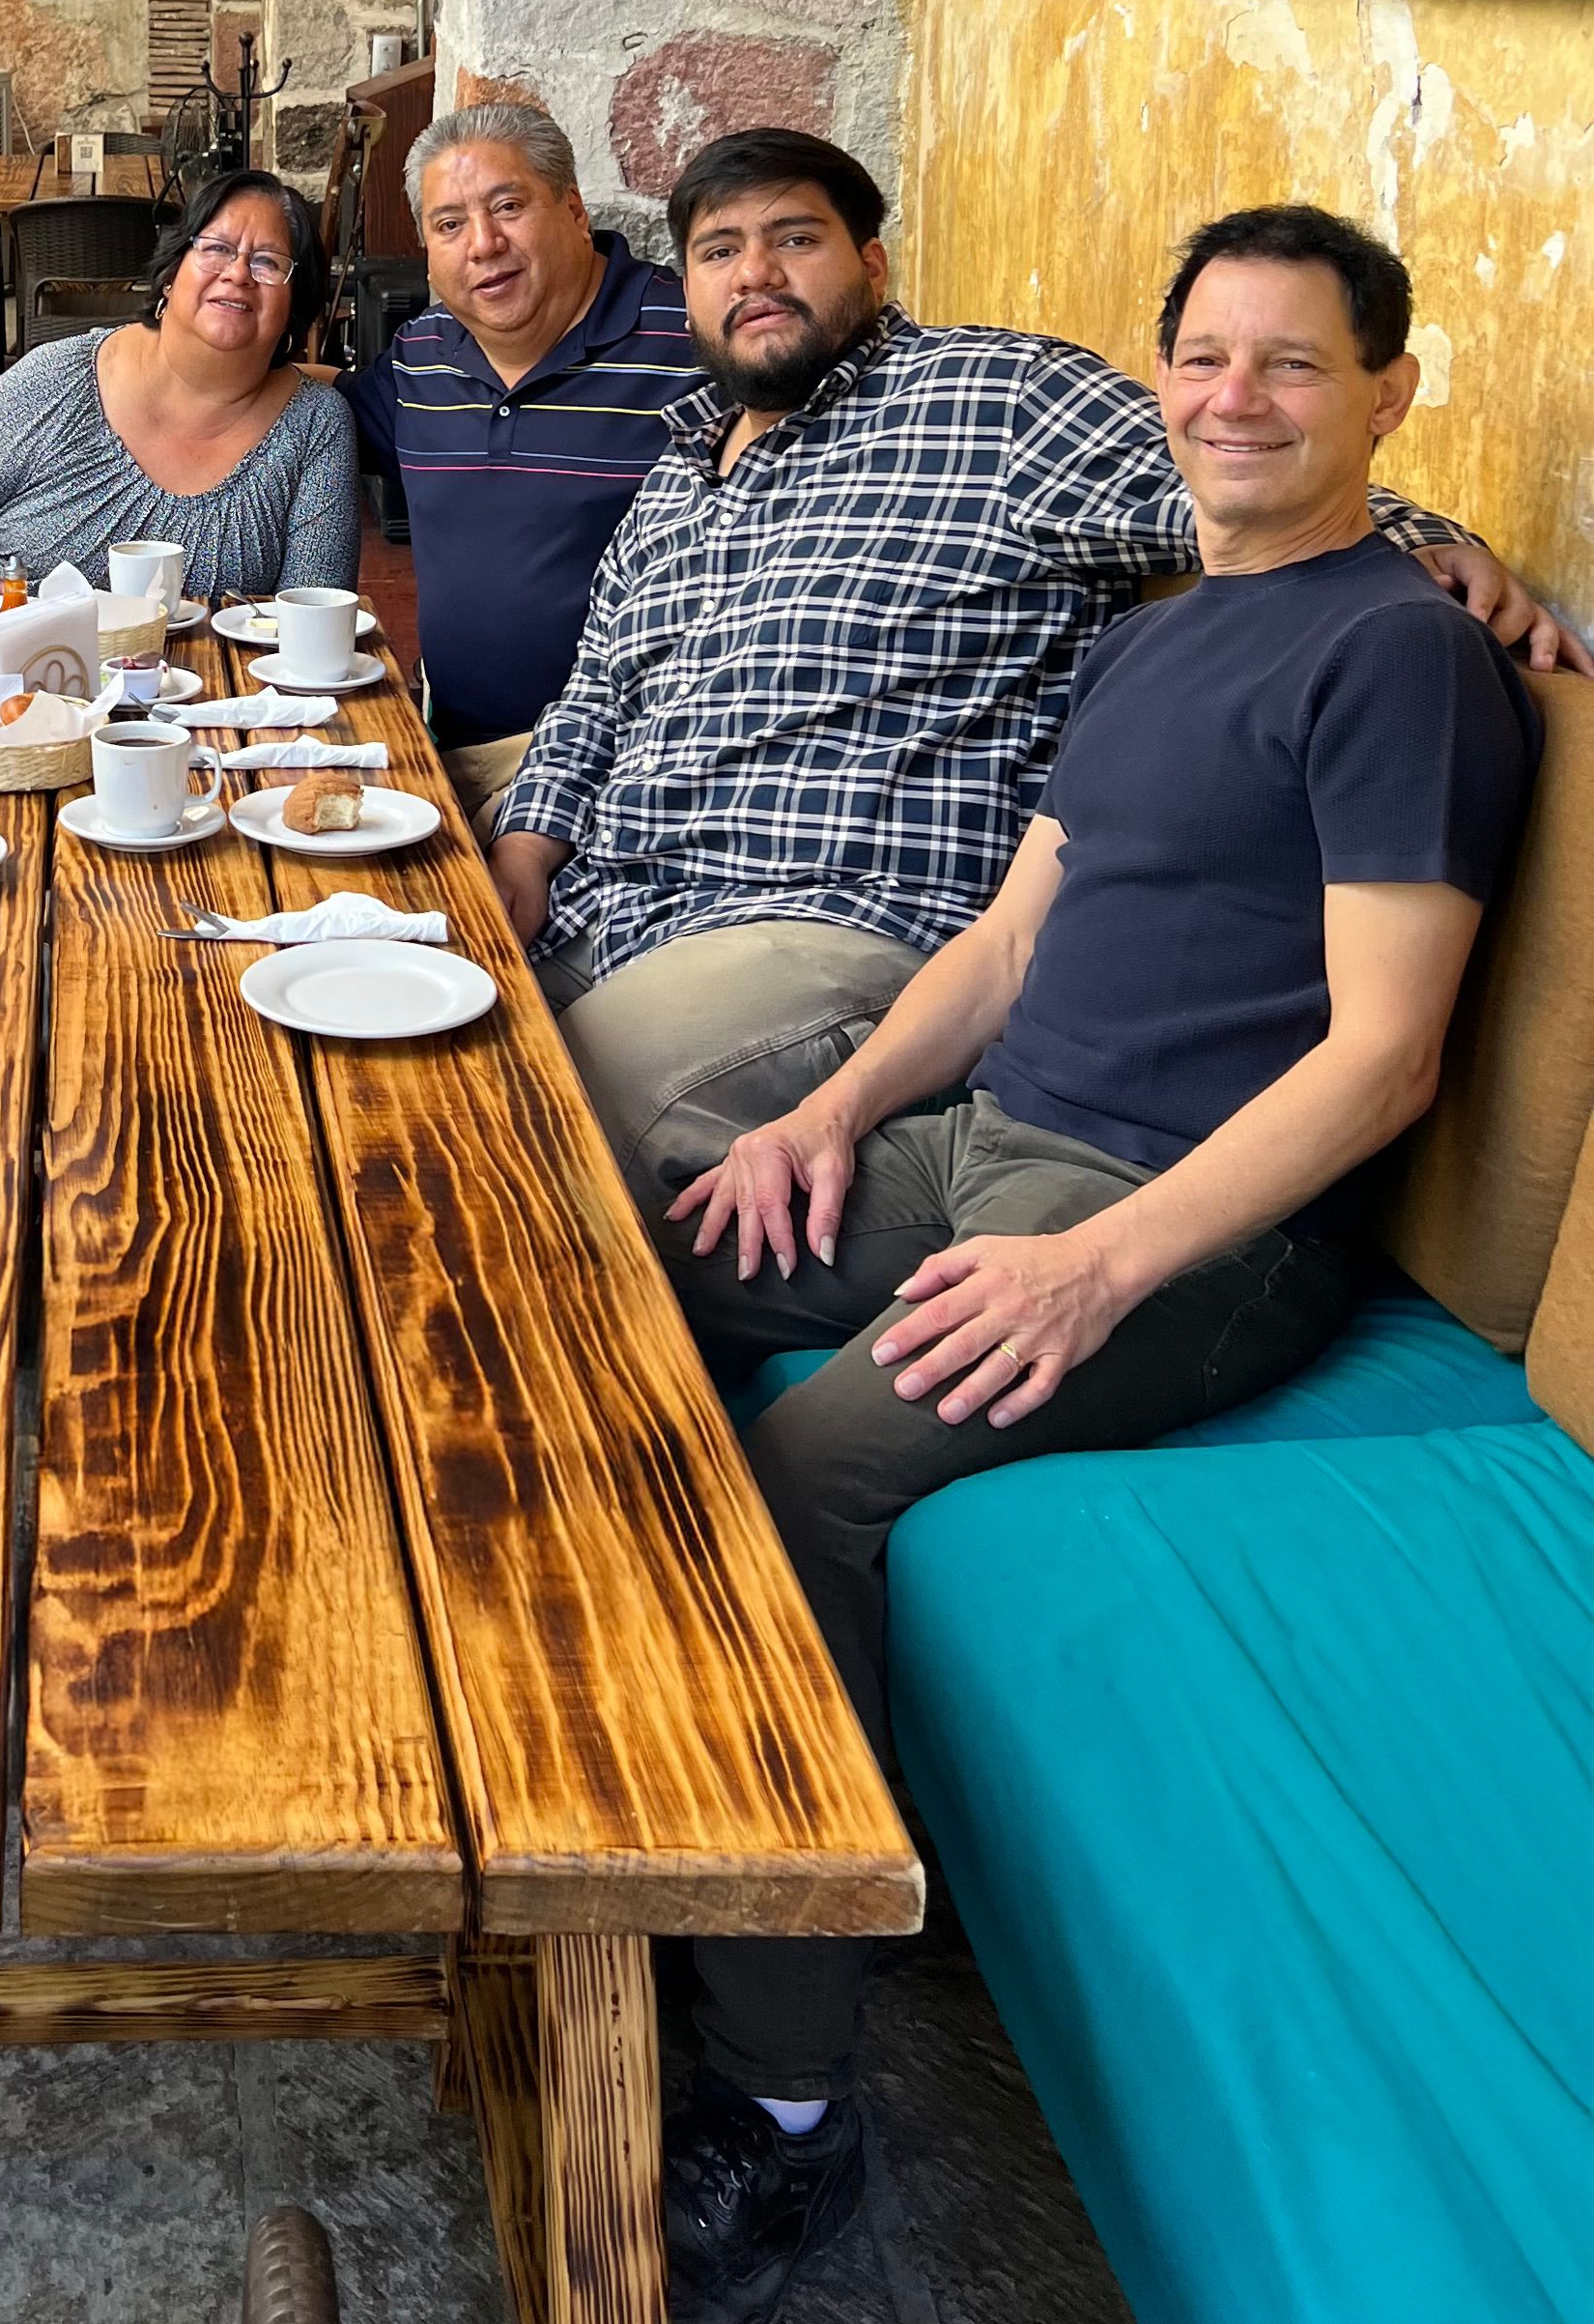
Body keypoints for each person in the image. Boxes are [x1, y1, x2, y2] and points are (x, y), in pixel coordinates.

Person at [649, 204, 1538, 2317]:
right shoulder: (1152, 632)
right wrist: (832, 1111)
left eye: (1295, 366)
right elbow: (1014, 935)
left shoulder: (1394, 652)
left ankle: (785, 2099)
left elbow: (1390, 1061)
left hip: (1174, 1222)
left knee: (817, 1474)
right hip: (980, 1144)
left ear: (1391, 397)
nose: (1239, 399)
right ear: (1162, 384)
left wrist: (1100, 1266)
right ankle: (643, 1788)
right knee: (638, 1252)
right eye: (1207, 360)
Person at [487, 128, 1579, 1220]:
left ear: (872, 265)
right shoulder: (683, 470)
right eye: (720, 250)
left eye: (795, 237)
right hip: (623, 897)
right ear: (690, 289)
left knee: (528, 1133)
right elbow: (595, 691)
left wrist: (1432, 542)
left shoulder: (994, 401)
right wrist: (527, 857)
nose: (756, 272)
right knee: (421, 1037)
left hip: (835, 922)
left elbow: (1241, 470)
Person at [340, 99, 694, 834]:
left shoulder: (692, 344)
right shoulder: (422, 356)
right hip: (454, 761)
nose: (482, 244)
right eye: (449, 225)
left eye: (508, 206)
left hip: (633, 774)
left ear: (571, 208)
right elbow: (307, 411)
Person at [0, 165, 361, 603]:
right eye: (216, 248)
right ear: (171, 276)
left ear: (294, 307)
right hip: (13, 688)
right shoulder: (63, 377)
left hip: (213, 699)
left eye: (268, 263)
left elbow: (317, 622)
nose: (236, 274)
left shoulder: (315, 427)